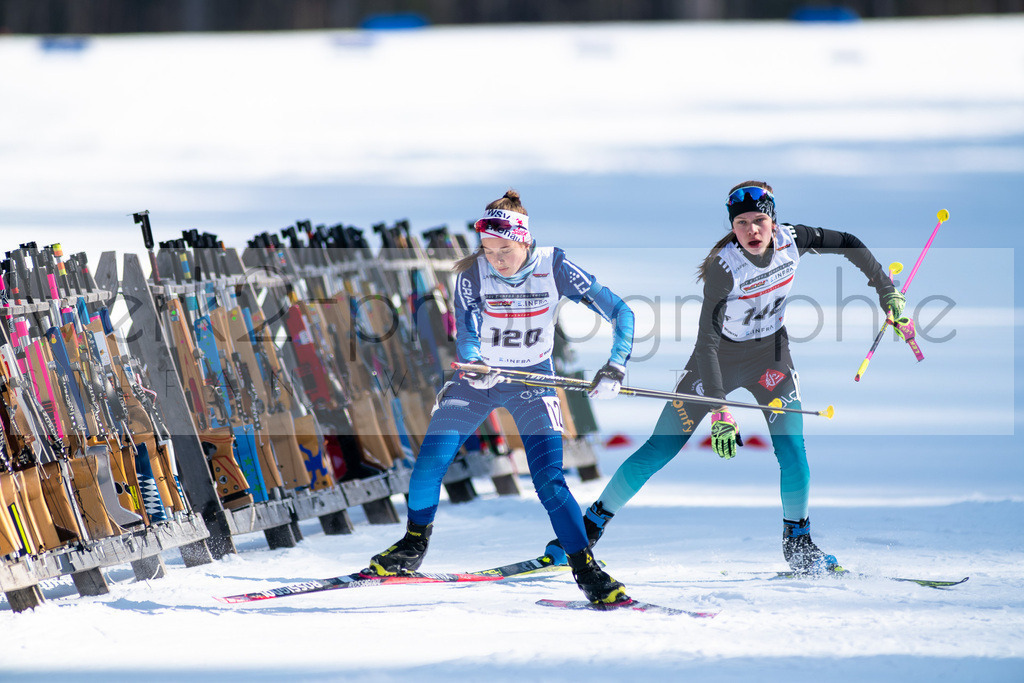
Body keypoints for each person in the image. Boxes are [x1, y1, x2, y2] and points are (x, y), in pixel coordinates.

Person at [578, 181, 906, 574]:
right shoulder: (724, 268)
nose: (752, 231)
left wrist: (887, 293)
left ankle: (798, 543)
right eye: (742, 223)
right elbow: (707, 344)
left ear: (774, 220)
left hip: (771, 359)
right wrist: (719, 410)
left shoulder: (794, 240)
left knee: (794, 455)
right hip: (715, 362)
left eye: (760, 221)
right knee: (659, 449)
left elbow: (850, 242)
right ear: (733, 226)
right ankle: (586, 531)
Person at [368, 189, 636, 604]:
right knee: (428, 464)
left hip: (533, 381)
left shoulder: (555, 265)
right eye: (488, 249)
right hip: (479, 382)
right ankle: (412, 543)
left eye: (504, 249)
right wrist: (473, 361)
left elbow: (622, 312)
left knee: (549, 480)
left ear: (524, 240)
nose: (495, 258)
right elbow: (468, 332)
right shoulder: (473, 273)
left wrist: (615, 364)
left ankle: (585, 568)